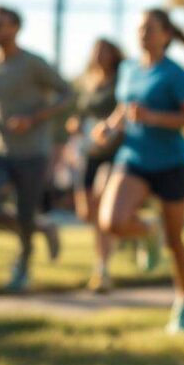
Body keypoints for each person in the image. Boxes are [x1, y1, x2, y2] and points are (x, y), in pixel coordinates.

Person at [94, 8, 184, 333]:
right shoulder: (127, 67)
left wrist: (154, 117)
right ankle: (147, 230)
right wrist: (110, 127)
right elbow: (125, 107)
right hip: (134, 159)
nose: (142, 33)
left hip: (171, 163)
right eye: (140, 27)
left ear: (166, 35)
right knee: (111, 221)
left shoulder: (175, 74)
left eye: (150, 28)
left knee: (175, 242)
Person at [0, 6, 72, 291]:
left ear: (15, 29)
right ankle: (43, 227)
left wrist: (34, 118)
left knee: (23, 214)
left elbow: (68, 93)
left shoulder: (33, 63)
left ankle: (23, 267)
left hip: (32, 152)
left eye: (0, 25)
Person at [67, 39, 125, 293]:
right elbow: (81, 113)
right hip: (90, 151)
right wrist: (75, 124)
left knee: (103, 204)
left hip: (114, 151)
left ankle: (101, 269)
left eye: (105, 51)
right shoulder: (89, 81)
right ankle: (131, 229)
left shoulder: (121, 79)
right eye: (96, 51)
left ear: (114, 55)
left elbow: (125, 111)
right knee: (85, 211)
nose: (100, 55)